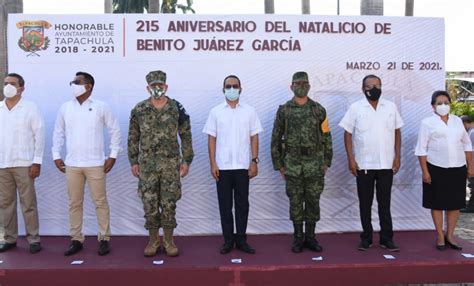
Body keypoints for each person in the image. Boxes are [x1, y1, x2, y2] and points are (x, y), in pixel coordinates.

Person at [52, 71, 121, 256]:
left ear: (88, 86)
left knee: (100, 202)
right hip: (72, 164)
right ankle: (76, 239)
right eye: (73, 81)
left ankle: (104, 238)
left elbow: (115, 130)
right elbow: (58, 132)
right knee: (74, 203)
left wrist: (113, 155)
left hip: (95, 163)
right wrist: (56, 155)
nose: (73, 84)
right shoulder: (66, 107)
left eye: (77, 82)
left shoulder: (101, 107)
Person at [128, 70, 194, 257]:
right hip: (147, 166)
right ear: (147, 88)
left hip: (170, 166)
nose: (157, 89)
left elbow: (186, 135)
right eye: (153, 86)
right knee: (149, 203)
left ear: (166, 87)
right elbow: (133, 137)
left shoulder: (176, 108)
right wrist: (133, 161)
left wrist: (186, 160)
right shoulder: (139, 109)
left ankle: (169, 241)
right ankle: (153, 241)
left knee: (169, 203)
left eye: (160, 86)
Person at [339, 74, 403, 252]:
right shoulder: (355, 108)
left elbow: (397, 131)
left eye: (378, 85)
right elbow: (347, 133)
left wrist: (397, 156)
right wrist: (351, 158)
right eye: (370, 86)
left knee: (385, 203)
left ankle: (386, 239)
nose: (374, 89)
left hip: (386, 164)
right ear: (363, 89)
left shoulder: (390, 107)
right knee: (365, 204)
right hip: (364, 164)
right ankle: (366, 238)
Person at [271, 71, 333, 253]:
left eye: (304, 83)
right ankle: (298, 237)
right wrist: (279, 165)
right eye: (297, 84)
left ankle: (311, 237)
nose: (301, 86)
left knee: (313, 200)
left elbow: (327, 137)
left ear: (309, 86)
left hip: (315, 163)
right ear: (291, 87)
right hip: (292, 163)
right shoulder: (284, 110)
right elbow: (275, 138)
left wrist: (326, 162)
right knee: (296, 201)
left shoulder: (318, 109)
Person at [203, 75, 263, 254]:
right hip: (222, 167)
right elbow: (211, 138)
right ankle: (228, 241)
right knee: (225, 205)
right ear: (223, 90)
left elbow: (254, 136)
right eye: (228, 86)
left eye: (234, 86)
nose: (231, 89)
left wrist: (254, 161)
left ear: (240, 89)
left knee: (242, 205)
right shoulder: (216, 112)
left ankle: (242, 240)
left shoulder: (250, 111)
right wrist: (213, 163)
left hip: (243, 166)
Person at [415, 91, 474, 250]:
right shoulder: (427, 123)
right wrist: (425, 172)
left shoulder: (457, 121)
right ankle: (440, 236)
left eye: (446, 102)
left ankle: (450, 235)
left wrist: (471, 165)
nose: (443, 106)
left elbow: (467, 144)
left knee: (455, 204)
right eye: (439, 103)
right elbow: (421, 149)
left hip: (458, 167)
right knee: (437, 203)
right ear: (433, 106)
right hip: (435, 167)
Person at [0, 73, 44, 254]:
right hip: (3, 164)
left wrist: (37, 162)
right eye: (5, 83)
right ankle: (9, 238)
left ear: (21, 88)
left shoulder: (30, 108)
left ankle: (33, 239)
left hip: (24, 163)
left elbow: (39, 135)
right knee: (5, 204)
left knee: (28, 203)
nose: (7, 86)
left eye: (12, 83)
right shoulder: (0, 108)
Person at [461, 115, 474, 213]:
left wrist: (470, 166)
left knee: (472, 184)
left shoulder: (472, 133)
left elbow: (471, 150)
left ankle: (471, 206)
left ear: (465, 123)